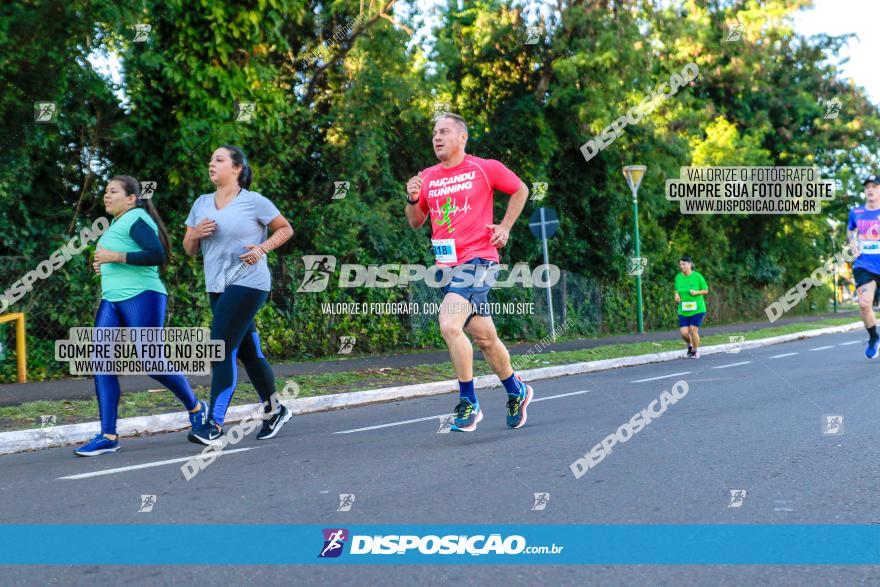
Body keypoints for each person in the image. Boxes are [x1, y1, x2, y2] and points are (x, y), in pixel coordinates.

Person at [404, 113, 533, 432]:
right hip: (448, 266)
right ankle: (517, 390)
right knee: (485, 338)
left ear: (462, 138)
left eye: (444, 132)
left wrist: (504, 227)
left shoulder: (484, 168)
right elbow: (415, 221)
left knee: (449, 325)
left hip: (479, 260)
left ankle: (469, 403)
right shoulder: (428, 177)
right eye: (434, 132)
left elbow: (520, 190)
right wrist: (411, 197)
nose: (437, 137)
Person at [74, 175, 207, 456]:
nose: (106, 196)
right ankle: (108, 435)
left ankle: (196, 407)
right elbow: (117, 256)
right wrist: (104, 266)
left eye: (113, 191)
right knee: (102, 363)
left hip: (142, 297)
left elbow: (156, 254)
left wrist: (115, 258)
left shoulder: (137, 218)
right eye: (105, 192)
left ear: (132, 198)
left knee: (152, 362)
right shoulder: (117, 224)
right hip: (111, 300)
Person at [184, 145, 294, 444]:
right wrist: (194, 234)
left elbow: (285, 229)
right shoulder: (201, 203)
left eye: (219, 159)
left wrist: (261, 248)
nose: (211, 164)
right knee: (248, 352)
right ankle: (276, 410)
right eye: (210, 159)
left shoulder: (254, 201)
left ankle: (214, 425)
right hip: (217, 285)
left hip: (249, 282)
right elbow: (188, 248)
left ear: (237, 169)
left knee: (220, 348)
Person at [846, 175, 880, 358]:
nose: (870, 190)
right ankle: (874, 338)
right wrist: (852, 242)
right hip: (864, 264)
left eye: (875, 186)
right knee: (864, 304)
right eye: (867, 187)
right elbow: (851, 229)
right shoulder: (856, 212)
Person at [674, 255, 709, 359]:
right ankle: (690, 344)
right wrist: (676, 295)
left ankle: (695, 350)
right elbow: (676, 289)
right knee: (684, 333)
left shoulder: (697, 276)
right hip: (683, 309)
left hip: (697, 308)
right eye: (680, 264)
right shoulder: (678, 277)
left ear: (690, 265)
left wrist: (696, 292)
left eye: (684, 264)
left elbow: (706, 290)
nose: (681, 266)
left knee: (693, 329)